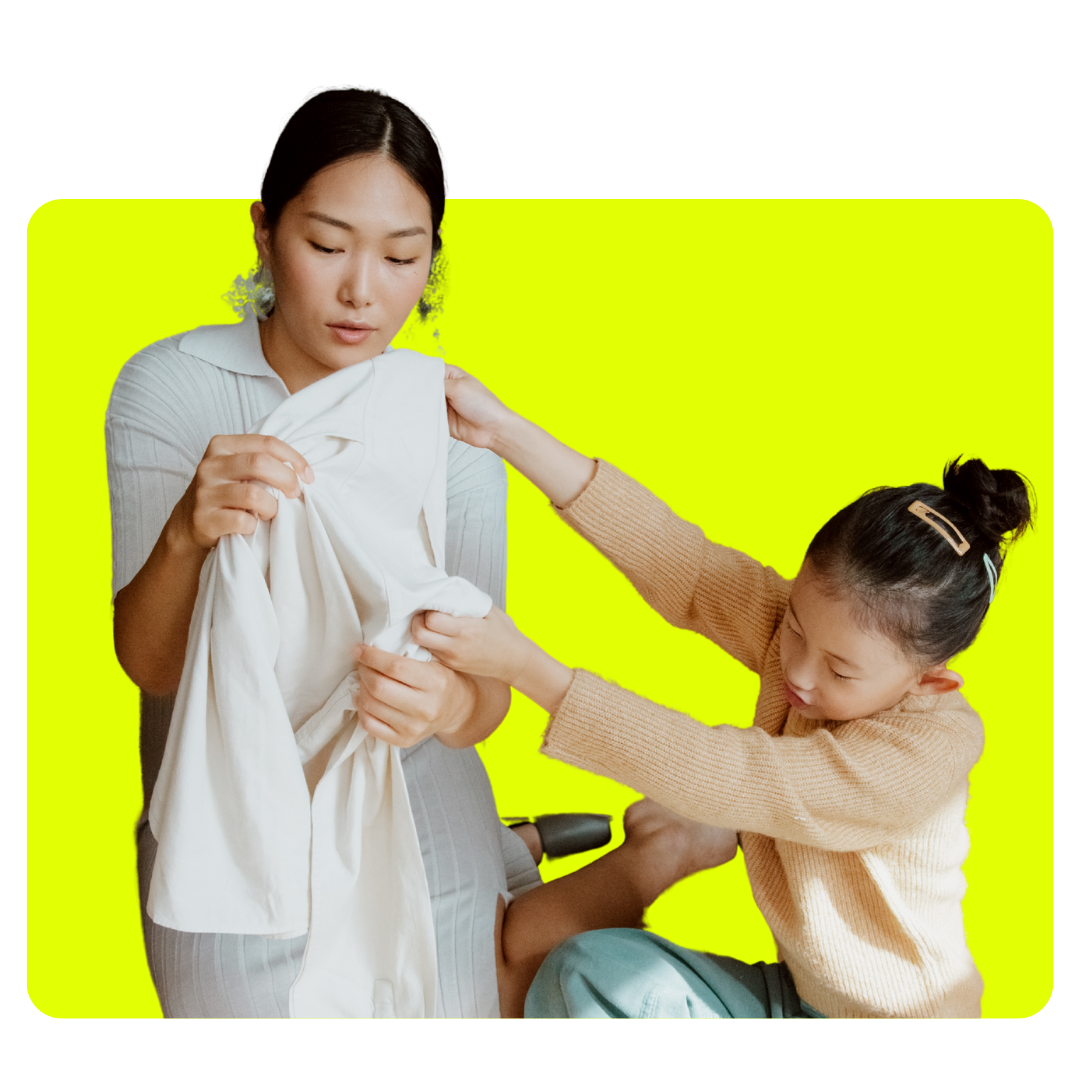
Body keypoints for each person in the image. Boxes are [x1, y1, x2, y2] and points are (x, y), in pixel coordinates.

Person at [107, 87, 734, 1019]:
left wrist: (444, 702)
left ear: (431, 258)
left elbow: (482, 699)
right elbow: (152, 667)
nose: (363, 291)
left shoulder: (449, 427)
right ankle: (533, 852)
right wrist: (184, 535)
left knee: (496, 994)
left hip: (414, 798)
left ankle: (560, 854)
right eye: (327, 246)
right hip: (225, 821)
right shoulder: (174, 386)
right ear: (264, 230)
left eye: (402, 257)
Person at [407, 365, 1036, 1019]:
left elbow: (735, 776)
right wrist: (503, 431)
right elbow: (685, 566)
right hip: (799, 998)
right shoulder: (817, 642)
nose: (800, 673)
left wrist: (525, 666)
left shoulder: (924, 756)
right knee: (589, 974)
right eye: (794, 627)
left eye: (841, 671)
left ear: (929, 681)